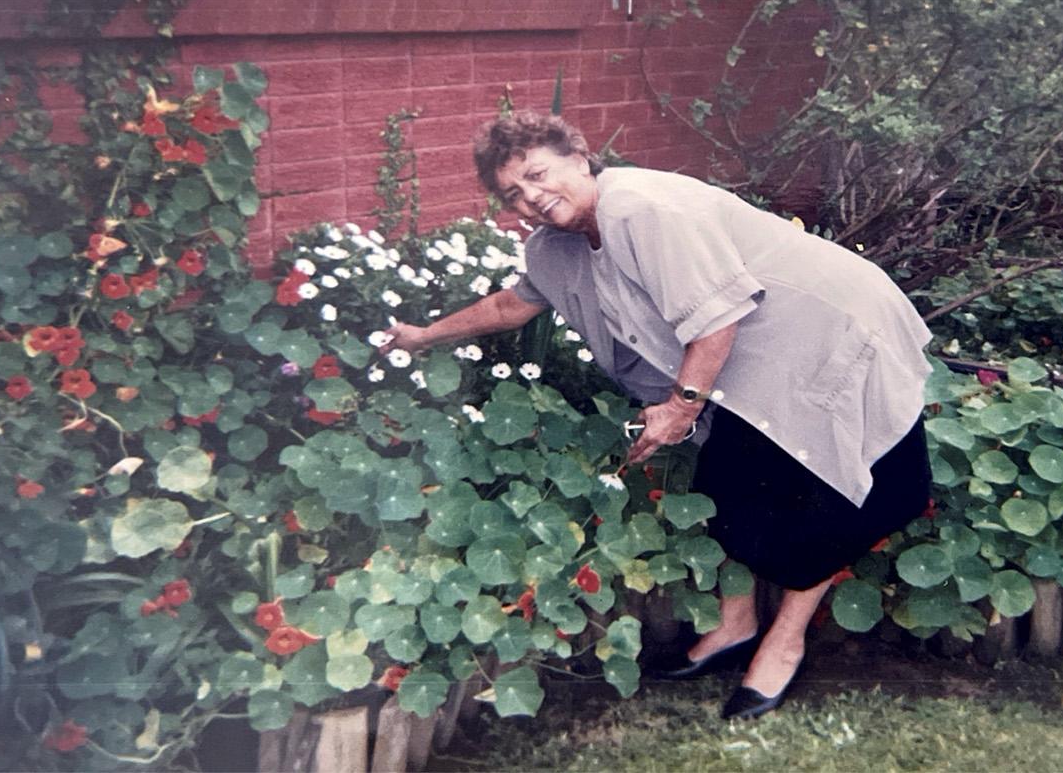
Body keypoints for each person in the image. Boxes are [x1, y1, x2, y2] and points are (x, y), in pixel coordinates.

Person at [380, 111, 934, 719]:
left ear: (579, 158)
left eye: (537, 175)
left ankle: (784, 642)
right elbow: (513, 304)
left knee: (821, 489)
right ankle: (736, 626)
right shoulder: (557, 247)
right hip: (754, 358)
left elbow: (718, 318)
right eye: (514, 193)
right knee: (729, 488)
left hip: (828, 329)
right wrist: (423, 336)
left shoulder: (642, 209)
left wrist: (680, 406)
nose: (531, 197)